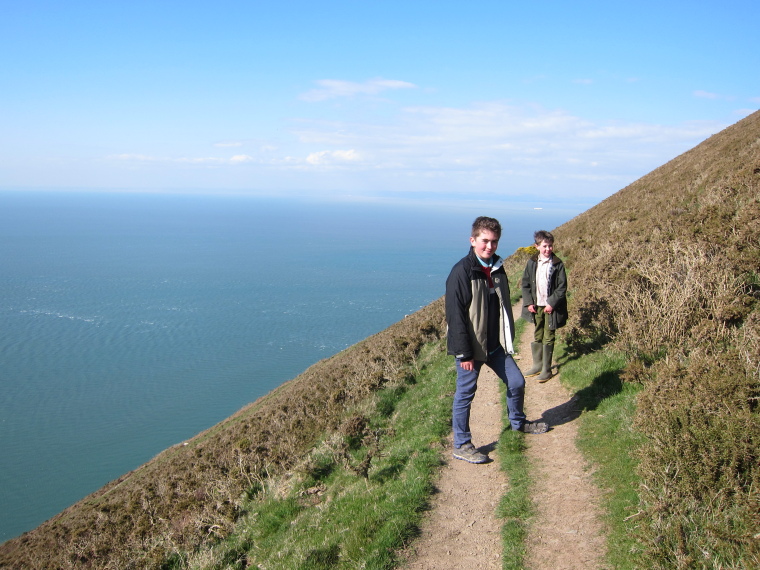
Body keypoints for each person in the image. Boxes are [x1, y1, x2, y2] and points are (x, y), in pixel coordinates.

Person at [445, 216, 549, 464]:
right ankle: (461, 444)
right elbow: (455, 316)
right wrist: (464, 353)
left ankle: (518, 423)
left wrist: (506, 339)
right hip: (471, 348)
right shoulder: (461, 272)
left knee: (516, 382)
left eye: (494, 242)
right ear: (473, 241)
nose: (489, 246)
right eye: (484, 241)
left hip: (495, 345)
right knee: (465, 394)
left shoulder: (497, 268)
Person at [521, 230, 568, 382]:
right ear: (537, 246)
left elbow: (562, 287)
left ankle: (546, 370)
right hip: (537, 306)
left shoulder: (557, 264)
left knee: (549, 336)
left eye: (550, 246)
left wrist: (551, 303)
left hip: (550, 308)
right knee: (538, 334)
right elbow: (526, 284)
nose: (548, 249)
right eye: (545, 246)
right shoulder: (532, 262)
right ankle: (537, 365)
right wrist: (529, 302)